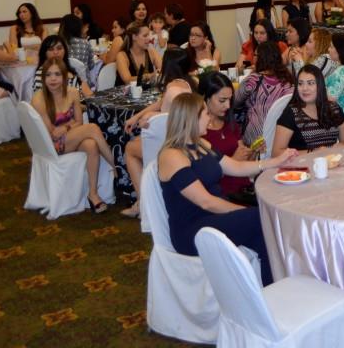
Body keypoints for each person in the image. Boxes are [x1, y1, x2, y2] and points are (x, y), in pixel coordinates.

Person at [158, 92, 298, 281]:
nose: (210, 118)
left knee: (263, 234)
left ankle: (271, 286)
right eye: (206, 114)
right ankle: (273, 287)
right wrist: (242, 211)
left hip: (213, 219)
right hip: (192, 230)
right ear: (192, 118)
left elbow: (236, 167)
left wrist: (276, 161)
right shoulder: (172, 156)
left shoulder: (201, 144)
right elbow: (206, 202)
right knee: (260, 218)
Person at [31, 57, 115, 213]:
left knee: (91, 145)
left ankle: (93, 194)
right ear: (43, 78)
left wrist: (66, 127)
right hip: (51, 145)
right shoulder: (39, 99)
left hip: (69, 138)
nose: (53, 79)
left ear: (64, 76)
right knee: (92, 128)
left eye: (57, 74)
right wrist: (67, 128)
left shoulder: (73, 93)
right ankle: (115, 166)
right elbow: (51, 134)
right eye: (48, 75)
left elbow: (78, 122)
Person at [120, 48, 197, 218]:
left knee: (130, 149)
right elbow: (161, 104)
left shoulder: (172, 88)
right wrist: (138, 116)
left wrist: (149, 118)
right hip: (181, 138)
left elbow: (168, 117)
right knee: (136, 141)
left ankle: (142, 203)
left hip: (168, 141)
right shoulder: (187, 84)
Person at [271, 65, 344, 153]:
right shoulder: (291, 113)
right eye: (300, 83)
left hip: (332, 160)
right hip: (301, 161)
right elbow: (276, 153)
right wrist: (315, 152)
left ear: (320, 85)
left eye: (310, 83)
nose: (304, 88)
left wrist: (337, 148)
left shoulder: (334, 109)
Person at [197, 71, 252, 198]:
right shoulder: (198, 131)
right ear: (205, 98)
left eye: (230, 99)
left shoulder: (229, 122)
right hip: (223, 194)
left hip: (244, 188)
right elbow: (203, 177)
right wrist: (233, 161)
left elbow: (243, 159)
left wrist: (252, 152)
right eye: (222, 100)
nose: (227, 105)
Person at [238, 42, 295, 148]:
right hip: (282, 136)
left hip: (256, 138)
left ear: (260, 58)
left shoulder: (253, 80)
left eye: (255, 55)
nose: (253, 58)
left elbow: (234, 102)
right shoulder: (289, 81)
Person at [115, 22, 161, 86]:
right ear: (134, 37)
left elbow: (163, 70)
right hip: (124, 92)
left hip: (145, 91)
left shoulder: (152, 52)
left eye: (149, 35)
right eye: (145, 35)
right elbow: (127, 80)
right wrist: (150, 76)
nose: (149, 38)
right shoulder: (122, 55)